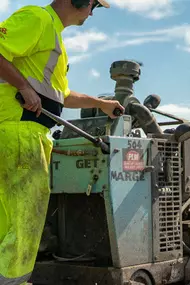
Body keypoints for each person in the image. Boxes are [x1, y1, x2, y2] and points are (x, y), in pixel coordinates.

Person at [0, 1, 124, 284]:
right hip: (21, 134)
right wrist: (21, 87)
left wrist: (100, 103)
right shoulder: (38, 19)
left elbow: (60, 95)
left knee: (7, 221)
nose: (92, 13)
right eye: (93, 4)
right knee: (25, 222)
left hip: (19, 134)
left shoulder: (53, 36)